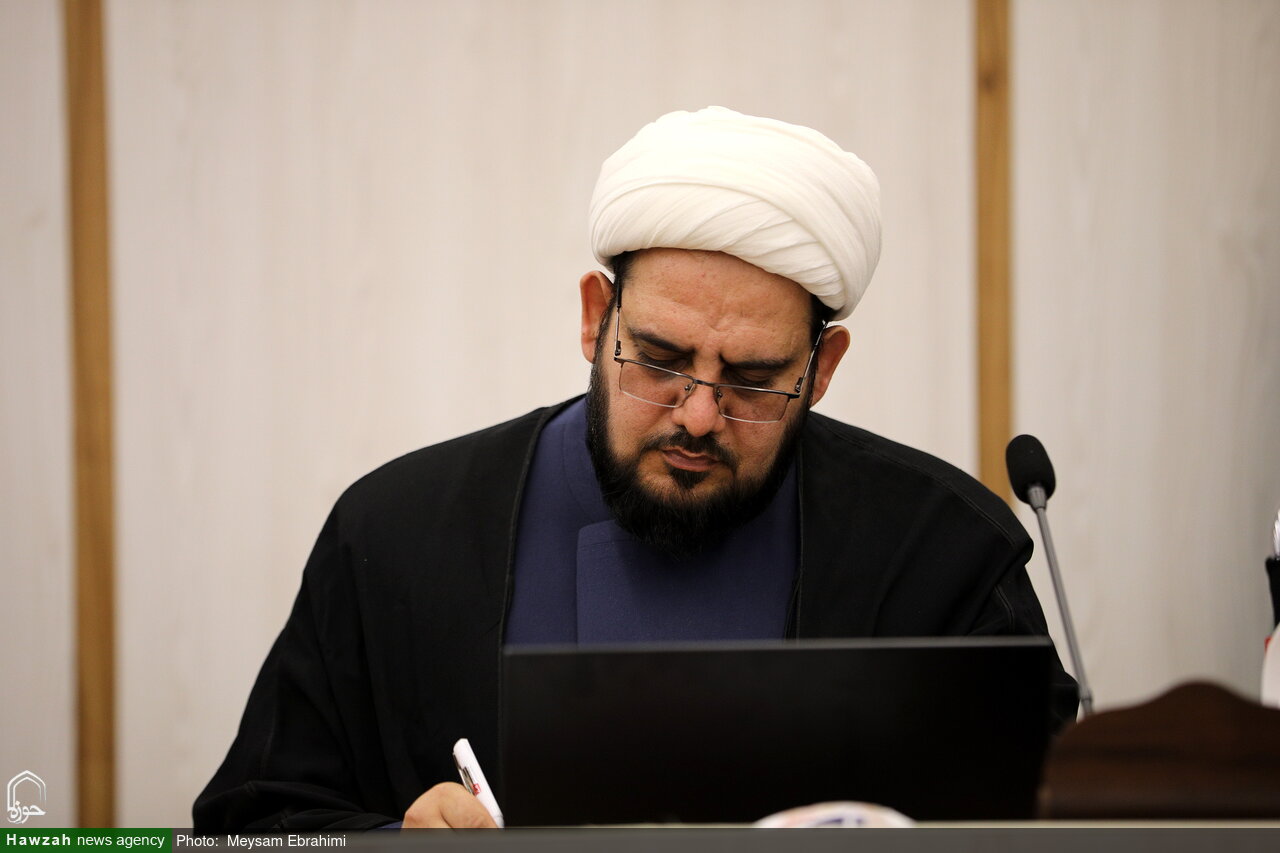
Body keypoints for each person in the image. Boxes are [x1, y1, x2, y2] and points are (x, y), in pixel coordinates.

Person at [194, 107, 1077, 831]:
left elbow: (1046, 819)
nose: (698, 414)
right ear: (595, 319)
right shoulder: (398, 531)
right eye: (659, 359)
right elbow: (252, 822)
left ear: (822, 369)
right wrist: (395, 841)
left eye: (753, 379)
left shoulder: (942, 552)